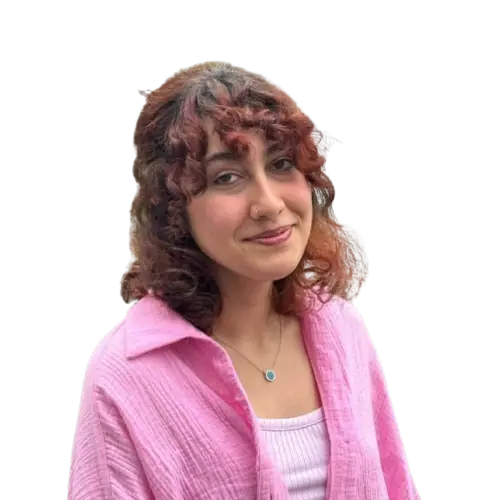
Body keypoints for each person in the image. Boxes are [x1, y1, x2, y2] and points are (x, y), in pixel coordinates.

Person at [68, 61, 418, 499]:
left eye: (282, 163)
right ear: (174, 209)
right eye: (227, 177)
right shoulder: (127, 376)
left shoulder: (342, 330)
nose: (269, 204)